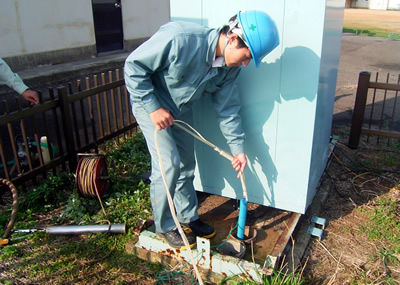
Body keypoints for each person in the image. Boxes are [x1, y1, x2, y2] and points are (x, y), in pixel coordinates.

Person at [124, 10, 279, 249]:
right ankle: (165, 225)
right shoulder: (180, 39)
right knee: (168, 165)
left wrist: (238, 149)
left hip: (181, 111)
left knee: (186, 165)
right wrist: (153, 107)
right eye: (247, 56)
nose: (246, 63)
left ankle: (188, 217)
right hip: (151, 104)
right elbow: (133, 67)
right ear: (233, 39)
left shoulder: (230, 70)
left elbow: (228, 111)